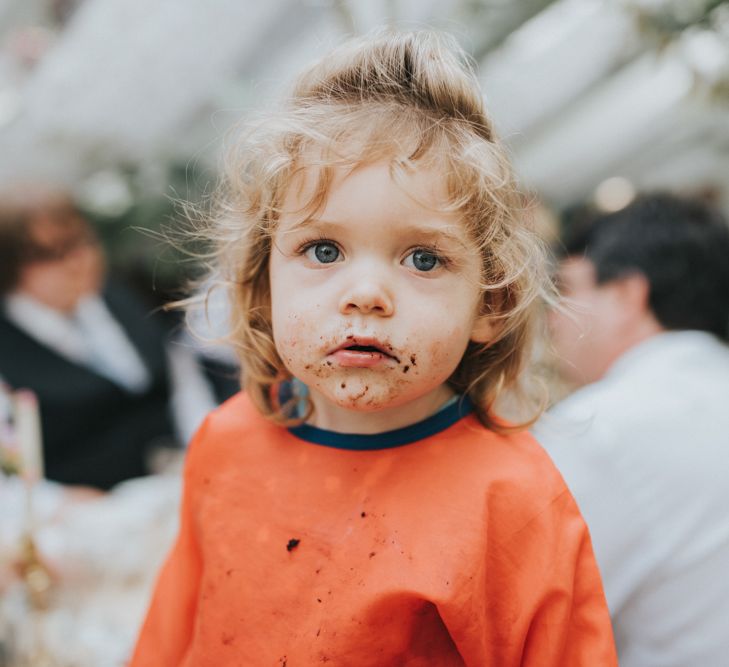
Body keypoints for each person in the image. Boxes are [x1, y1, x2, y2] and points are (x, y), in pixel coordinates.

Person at [131, 30, 617, 666]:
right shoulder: (225, 444)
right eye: (323, 250)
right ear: (261, 284)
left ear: (489, 305)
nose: (365, 294)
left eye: (423, 258)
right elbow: (170, 640)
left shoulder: (513, 505)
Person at [537, 193, 729, 667]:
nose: (552, 318)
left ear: (627, 295)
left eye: (566, 290)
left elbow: (528, 624)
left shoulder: (597, 428)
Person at [0, 187, 222, 490]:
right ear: (11, 268)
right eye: (51, 254)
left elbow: (181, 383)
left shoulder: (120, 294)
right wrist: (58, 499)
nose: (78, 262)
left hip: (175, 482)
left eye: (81, 242)